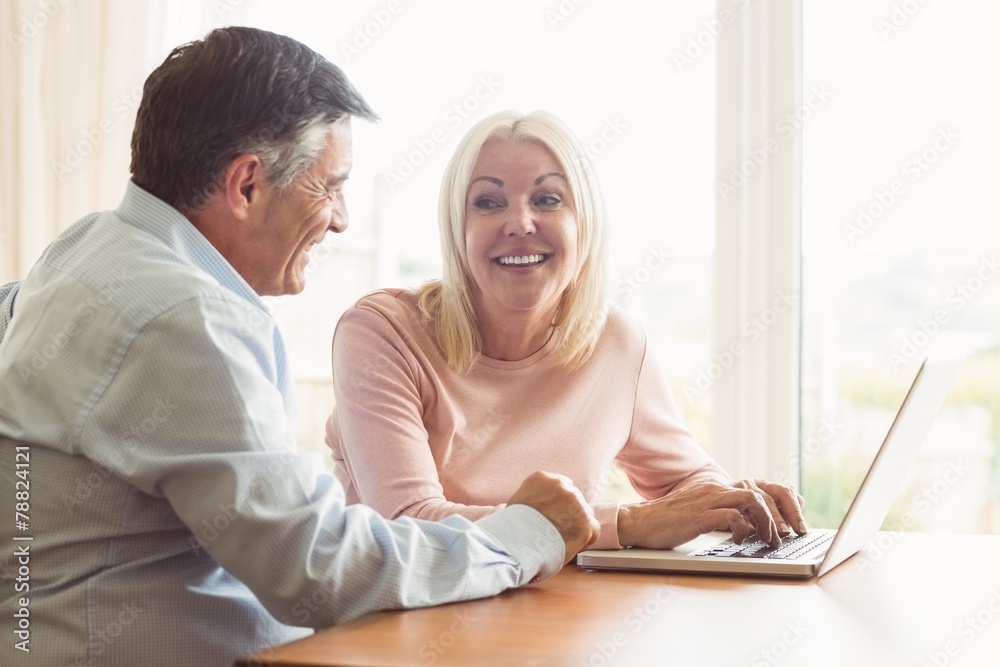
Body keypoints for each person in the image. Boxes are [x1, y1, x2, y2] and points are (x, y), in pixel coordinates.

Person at [0, 30, 599, 667]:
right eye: (329, 186)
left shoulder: (86, 248)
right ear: (247, 185)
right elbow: (316, 571)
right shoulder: (184, 317)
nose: (340, 217)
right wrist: (522, 532)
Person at [326, 109, 806, 552]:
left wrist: (728, 499)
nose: (519, 222)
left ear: (585, 223)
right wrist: (632, 524)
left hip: (558, 624)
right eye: (488, 202)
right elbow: (409, 525)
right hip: (400, 628)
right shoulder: (381, 335)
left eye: (547, 199)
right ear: (458, 229)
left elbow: (682, 482)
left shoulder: (616, 343)